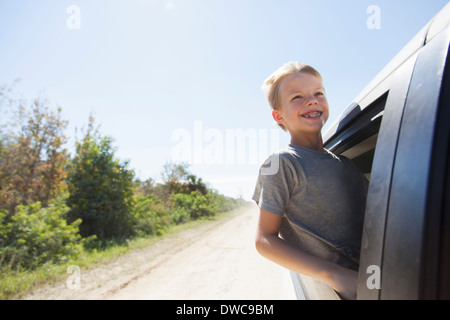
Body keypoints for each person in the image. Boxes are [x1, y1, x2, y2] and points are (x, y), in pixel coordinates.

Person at [253, 62, 368, 300]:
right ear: (278, 116)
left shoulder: (346, 165)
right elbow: (264, 240)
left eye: (318, 94)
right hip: (342, 290)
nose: (312, 100)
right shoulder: (283, 163)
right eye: (297, 97)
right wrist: (336, 275)